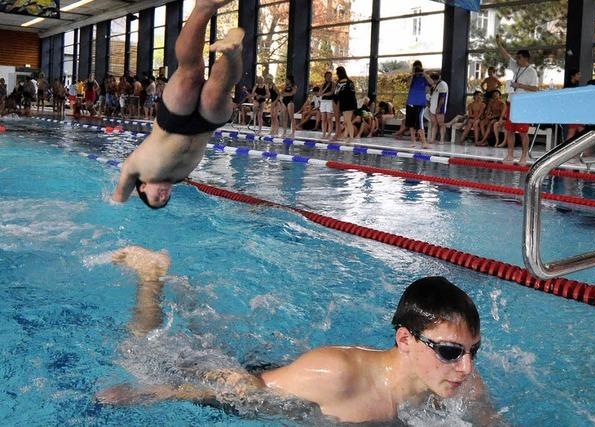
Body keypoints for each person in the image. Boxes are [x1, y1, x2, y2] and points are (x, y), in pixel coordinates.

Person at [96, 246, 497, 424]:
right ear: (405, 340)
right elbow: (246, 389)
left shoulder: (462, 382)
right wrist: (155, 393)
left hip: (285, 384)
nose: (465, 366)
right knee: (140, 350)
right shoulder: (337, 374)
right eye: (449, 351)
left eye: (472, 351)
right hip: (255, 383)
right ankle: (150, 276)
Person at [111, 0, 244, 208]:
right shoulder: (179, 177)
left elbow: (118, 199)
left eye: (156, 199)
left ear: (143, 187)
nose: (164, 196)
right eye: (166, 200)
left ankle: (204, 7)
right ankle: (233, 52)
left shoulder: (135, 168)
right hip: (205, 126)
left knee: (190, 72)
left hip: (172, 120)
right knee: (217, 94)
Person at [496, 34, 539, 166]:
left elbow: (535, 88)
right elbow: (506, 55)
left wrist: (519, 85)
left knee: (523, 132)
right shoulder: (516, 66)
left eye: (519, 57)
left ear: (526, 58)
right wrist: (499, 44)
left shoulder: (532, 72)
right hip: (511, 103)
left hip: (523, 105)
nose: (517, 59)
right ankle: (509, 154)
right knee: (509, 130)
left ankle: (524, 156)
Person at [405, 60, 430, 148]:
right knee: (411, 124)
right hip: (410, 102)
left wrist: (424, 73)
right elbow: (408, 85)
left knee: (420, 123)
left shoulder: (424, 77)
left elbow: (431, 83)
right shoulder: (411, 77)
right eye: (415, 68)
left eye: (418, 67)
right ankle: (413, 141)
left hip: (420, 103)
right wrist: (412, 74)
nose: (417, 69)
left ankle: (424, 142)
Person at [334, 66, 357, 144]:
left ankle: (351, 137)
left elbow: (336, 94)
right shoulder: (349, 82)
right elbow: (353, 93)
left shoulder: (340, 83)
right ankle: (346, 135)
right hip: (348, 102)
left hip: (347, 103)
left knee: (347, 121)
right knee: (346, 121)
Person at [427, 72, 449, 145]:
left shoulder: (443, 84)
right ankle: (432, 139)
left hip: (440, 108)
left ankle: (442, 139)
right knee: (434, 124)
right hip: (432, 107)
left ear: (433, 79)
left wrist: (439, 108)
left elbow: (442, 98)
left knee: (441, 124)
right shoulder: (434, 85)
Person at [318, 71, 335, 139]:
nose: (329, 78)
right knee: (323, 119)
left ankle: (329, 133)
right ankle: (324, 133)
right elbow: (319, 93)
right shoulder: (322, 85)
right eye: (327, 76)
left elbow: (331, 92)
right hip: (323, 102)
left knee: (329, 118)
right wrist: (325, 88)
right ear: (325, 77)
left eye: (330, 76)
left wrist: (324, 94)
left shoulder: (333, 84)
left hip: (329, 102)